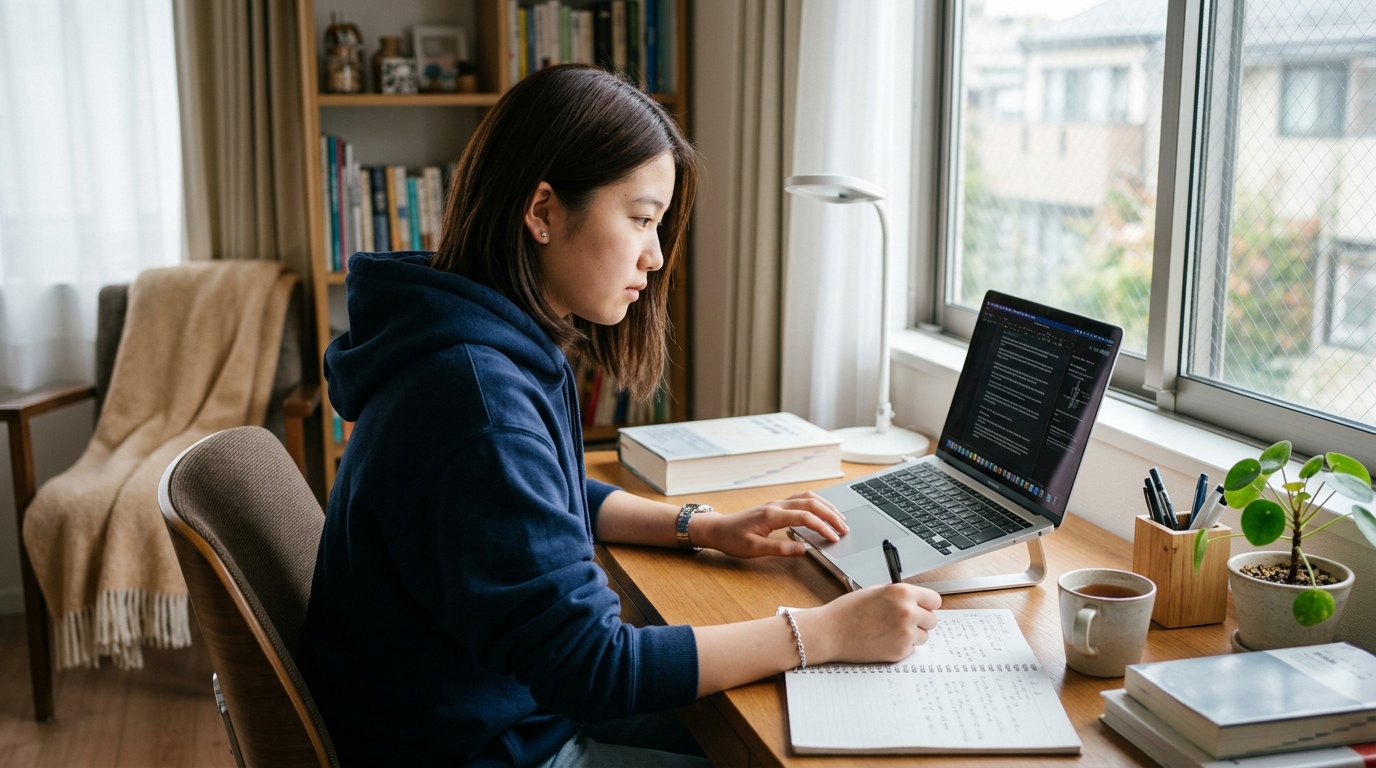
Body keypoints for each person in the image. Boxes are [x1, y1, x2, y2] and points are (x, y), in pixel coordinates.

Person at [297, 65, 942, 768]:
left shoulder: (466, 338)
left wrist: (703, 525)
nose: (656, 256)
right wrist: (823, 632)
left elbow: (548, 497)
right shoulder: (477, 402)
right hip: (485, 748)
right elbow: (595, 666)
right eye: (640, 219)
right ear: (542, 211)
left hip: (496, 711)